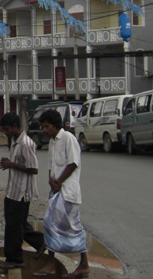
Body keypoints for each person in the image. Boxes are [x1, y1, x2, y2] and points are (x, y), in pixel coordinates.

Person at [33, 109, 90, 279]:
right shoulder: (52, 142)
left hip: (68, 192)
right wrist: (52, 181)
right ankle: (52, 263)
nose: (44, 130)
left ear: (55, 125)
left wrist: (59, 181)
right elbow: (52, 166)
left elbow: (73, 163)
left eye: (47, 126)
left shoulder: (68, 139)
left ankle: (83, 263)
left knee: (72, 227)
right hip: (56, 192)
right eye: (43, 127)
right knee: (51, 225)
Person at [0, 113, 45, 271]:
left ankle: (15, 259)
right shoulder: (14, 141)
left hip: (22, 192)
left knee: (14, 226)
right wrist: (9, 162)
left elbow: (34, 169)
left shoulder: (26, 144)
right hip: (13, 190)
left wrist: (12, 165)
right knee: (15, 223)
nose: (5, 132)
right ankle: (41, 242)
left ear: (15, 127)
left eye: (6, 129)